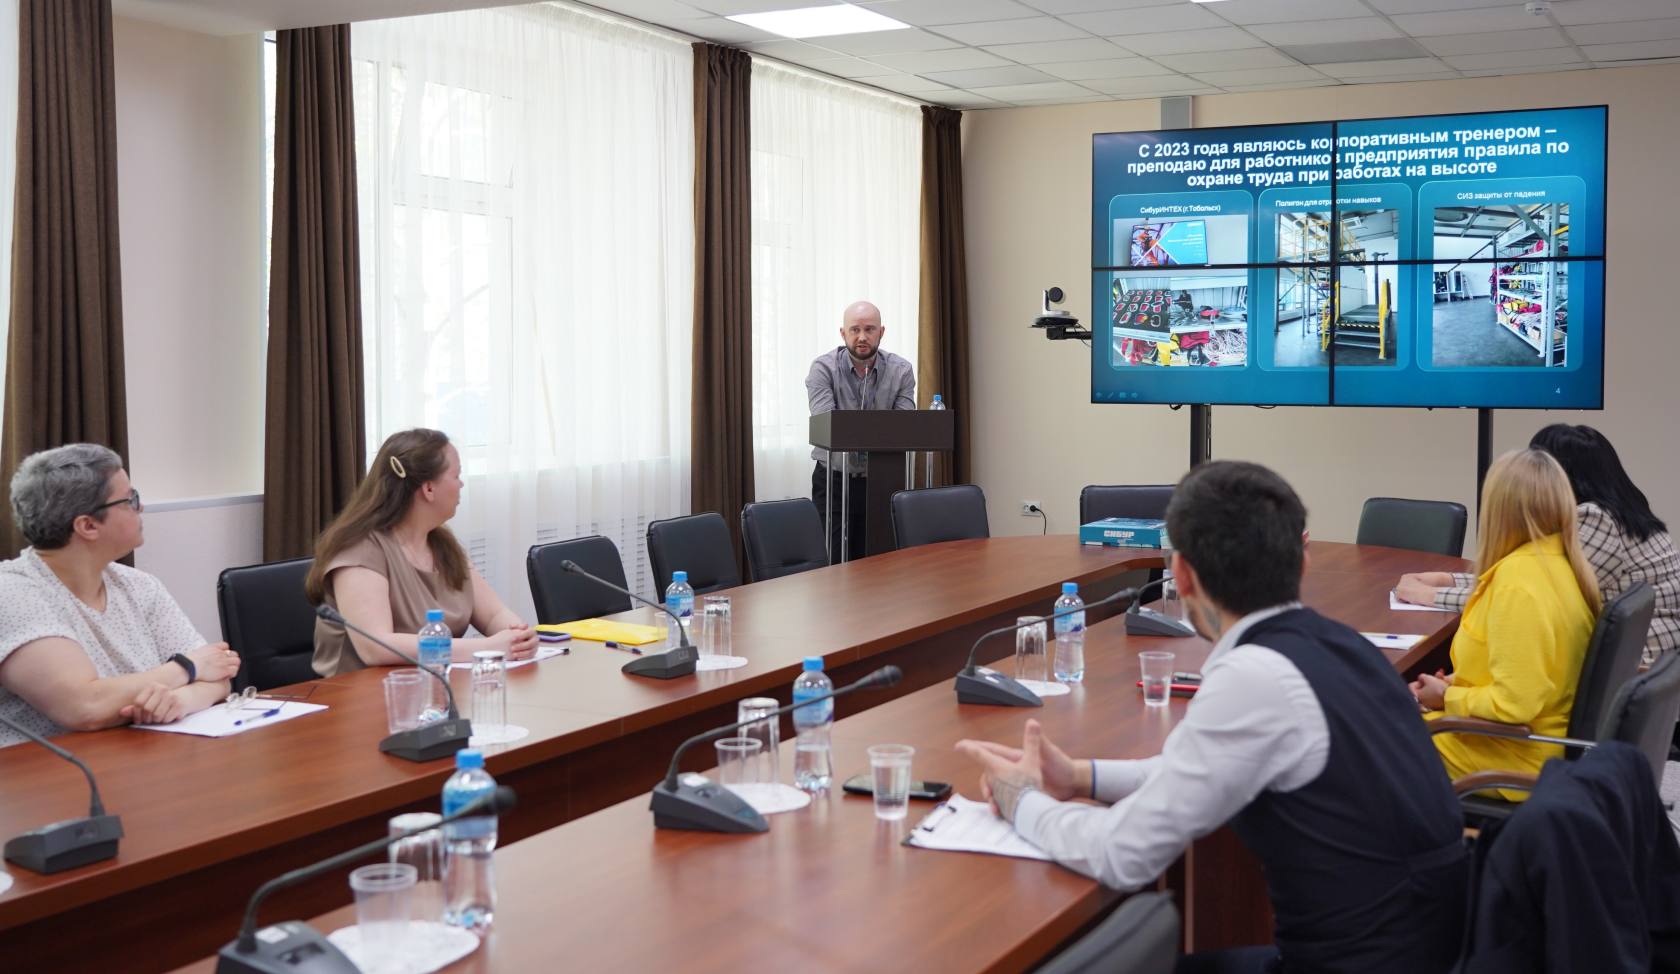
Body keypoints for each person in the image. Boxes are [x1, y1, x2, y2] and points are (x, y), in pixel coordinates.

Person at [957, 461, 1466, 973]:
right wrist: (1079, 776)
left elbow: (1122, 854)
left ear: (1181, 575)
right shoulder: (1341, 644)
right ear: (1303, 558)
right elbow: (1201, 768)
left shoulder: (1256, 675)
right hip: (1426, 949)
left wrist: (1021, 800)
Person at [0, 444, 241, 748]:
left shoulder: (139, 585)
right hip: (50, 770)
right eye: (130, 499)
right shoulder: (12, 593)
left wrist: (180, 701)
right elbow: (85, 706)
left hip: (140, 756)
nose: (141, 507)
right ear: (88, 525)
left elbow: (218, 675)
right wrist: (186, 668)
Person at [1398, 423, 1678, 666]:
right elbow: (1529, 581)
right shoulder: (1624, 511)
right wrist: (1449, 579)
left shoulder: (1595, 519)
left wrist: (1432, 596)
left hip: (1636, 667)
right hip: (1652, 668)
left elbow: (1531, 599)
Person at [1410, 448, 1600, 799]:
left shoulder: (1518, 584)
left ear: (1498, 511)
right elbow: (1531, 671)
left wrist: (1448, 697)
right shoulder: (1560, 564)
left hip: (1512, 756)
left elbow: (1514, 705)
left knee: (1364, 738)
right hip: (1535, 745)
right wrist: (1451, 684)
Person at [307, 428, 538, 676]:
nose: (461, 484)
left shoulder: (442, 544)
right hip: (357, 692)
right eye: (456, 475)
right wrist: (484, 648)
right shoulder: (359, 548)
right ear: (428, 489)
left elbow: (493, 614)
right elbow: (375, 647)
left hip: (436, 686)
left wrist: (518, 636)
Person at [806, 300, 916, 562]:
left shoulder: (901, 370)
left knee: (879, 565)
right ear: (843, 333)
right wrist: (879, 428)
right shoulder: (823, 368)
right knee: (832, 562)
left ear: (881, 332)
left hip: (881, 480)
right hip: (833, 480)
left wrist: (861, 428)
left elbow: (904, 428)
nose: (862, 337)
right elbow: (828, 425)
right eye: (855, 330)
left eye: (869, 329)